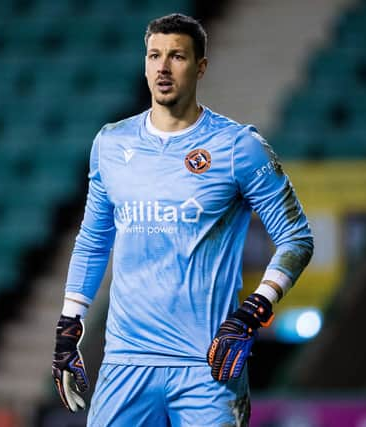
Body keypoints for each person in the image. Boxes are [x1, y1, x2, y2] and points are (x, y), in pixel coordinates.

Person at [51, 13, 314, 426]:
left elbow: (296, 237)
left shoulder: (237, 147)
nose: (163, 67)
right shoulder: (111, 143)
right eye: (154, 55)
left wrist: (253, 312)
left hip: (207, 365)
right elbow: (93, 240)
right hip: (125, 363)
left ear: (200, 67)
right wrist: (69, 326)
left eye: (176, 56)